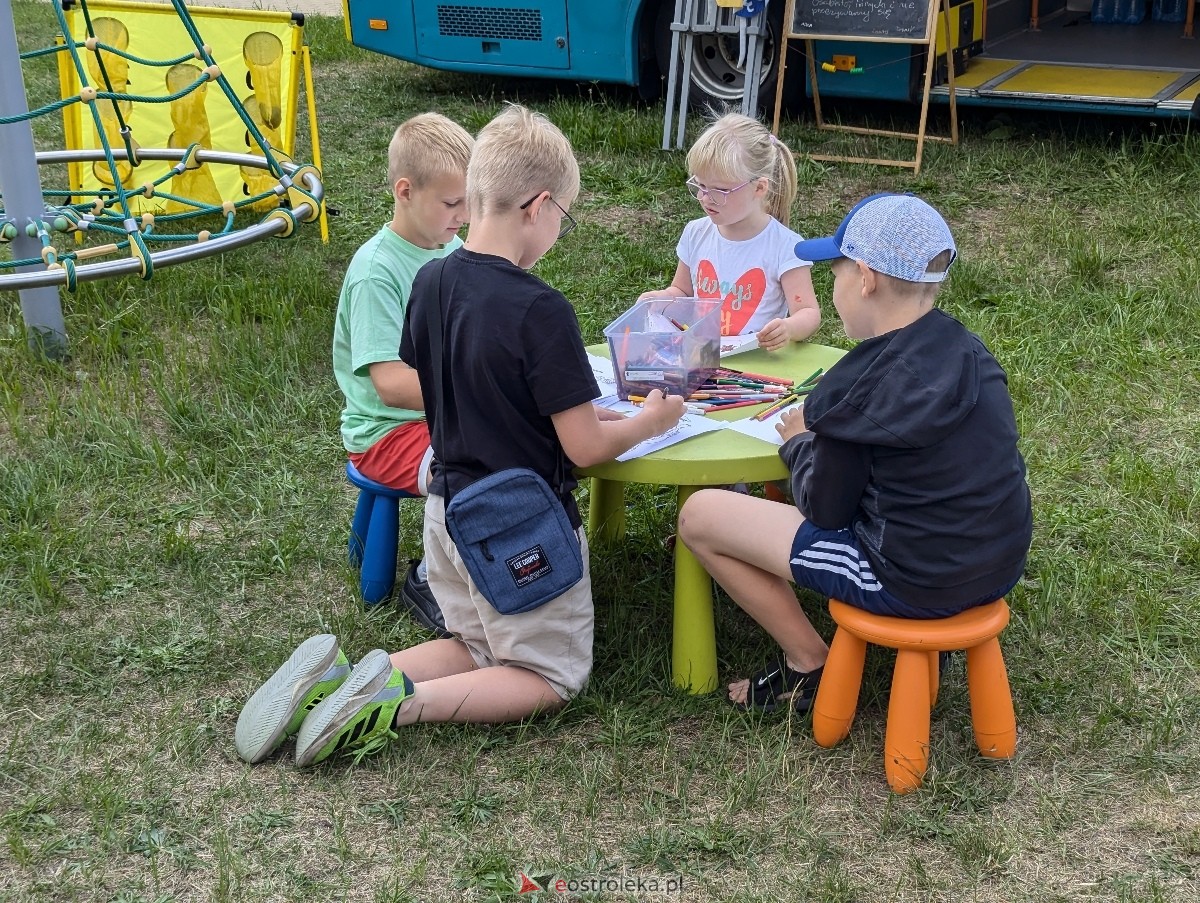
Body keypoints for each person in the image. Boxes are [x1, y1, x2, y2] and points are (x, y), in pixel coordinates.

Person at [235, 104, 685, 767]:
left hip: (447, 509)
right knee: (550, 674)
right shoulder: (542, 310)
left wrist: (575, 412)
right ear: (537, 206)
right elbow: (583, 448)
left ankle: (338, 679)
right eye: (564, 216)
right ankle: (391, 704)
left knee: (475, 645)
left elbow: (452, 382)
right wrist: (651, 420)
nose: (559, 230)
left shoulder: (431, 279)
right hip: (518, 526)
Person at [677, 193, 1033, 712]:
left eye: (835, 273)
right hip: (998, 561)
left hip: (912, 579)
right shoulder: (972, 353)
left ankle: (808, 662)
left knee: (700, 515)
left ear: (863, 278)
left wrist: (799, 443)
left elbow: (825, 509)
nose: (833, 287)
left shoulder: (854, 390)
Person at [331, 112, 472, 611]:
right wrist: (471, 391)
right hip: (387, 433)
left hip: (441, 417)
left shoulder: (452, 247)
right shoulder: (377, 272)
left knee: (514, 442)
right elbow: (390, 384)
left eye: (469, 202)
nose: (464, 216)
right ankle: (435, 579)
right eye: (452, 203)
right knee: (473, 466)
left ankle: (500, 565)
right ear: (405, 190)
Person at [639, 112, 820, 352]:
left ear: (759, 188)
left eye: (721, 191)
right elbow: (682, 291)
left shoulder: (785, 247)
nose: (705, 198)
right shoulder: (696, 233)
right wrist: (660, 299)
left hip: (759, 366)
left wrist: (788, 328)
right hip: (702, 358)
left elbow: (808, 312)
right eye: (700, 185)